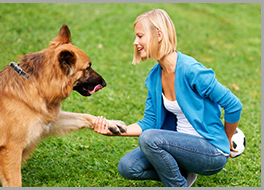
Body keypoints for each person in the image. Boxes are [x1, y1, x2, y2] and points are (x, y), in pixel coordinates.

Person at [93, 9, 242, 187]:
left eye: (140, 36)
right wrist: (116, 130)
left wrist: (226, 138)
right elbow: (149, 122)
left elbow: (234, 105)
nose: (135, 42)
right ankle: (183, 175)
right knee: (128, 167)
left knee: (149, 139)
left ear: (159, 35)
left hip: (210, 151)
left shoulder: (192, 70)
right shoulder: (155, 76)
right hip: (179, 146)